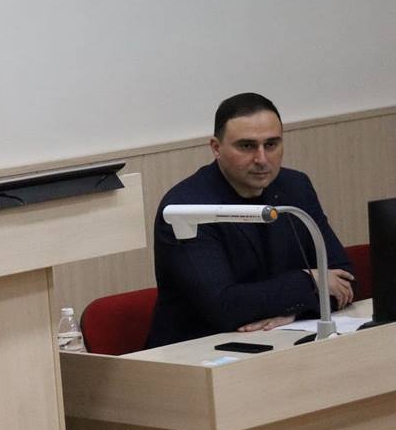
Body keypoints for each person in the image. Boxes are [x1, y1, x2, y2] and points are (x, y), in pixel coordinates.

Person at [147, 93, 355, 348]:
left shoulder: (295, 187)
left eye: (271, 144)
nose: (262, 159)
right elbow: (224, 306)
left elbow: (344, 277)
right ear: (216, 148)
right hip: (198, 351)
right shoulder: (185, 207)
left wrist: (295, 311)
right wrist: (308, 280)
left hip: (278, 340)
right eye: (247, 146)